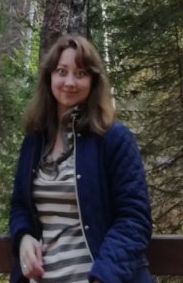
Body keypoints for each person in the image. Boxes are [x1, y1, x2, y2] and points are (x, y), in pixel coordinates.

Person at [9, 34, 153, 283]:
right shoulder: (34, 141)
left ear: (93, 80)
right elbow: (19, 205)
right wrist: (23, 237)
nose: (69, 82)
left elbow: (134, 219)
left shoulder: (113, 138)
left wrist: (103, 277)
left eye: (81, 73)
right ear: (49, 76)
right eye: (61, 71)